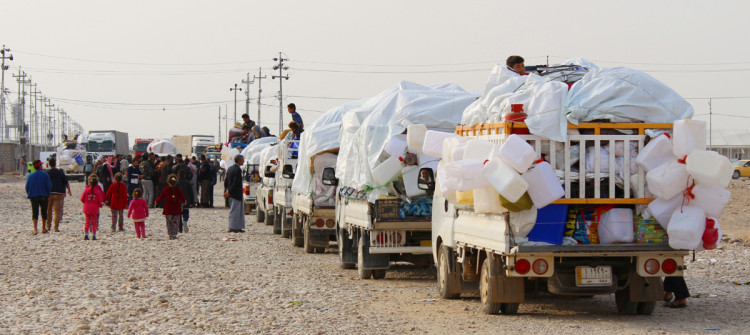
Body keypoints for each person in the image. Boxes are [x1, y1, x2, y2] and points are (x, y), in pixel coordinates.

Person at [155, 174, 186, 240]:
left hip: (168, 208)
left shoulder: (166, 189)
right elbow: (183, 198)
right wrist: (184, 202)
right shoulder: (178, 189)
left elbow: (161, 196)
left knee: (169, 222)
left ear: (168, 181)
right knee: (175, 222)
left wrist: (156, 201)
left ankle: (170, 234)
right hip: (176, 208)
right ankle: (174, 234)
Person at [25, 160, 52, 235]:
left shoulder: (30, 176)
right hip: (44, 196)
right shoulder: (45, 175)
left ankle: (35, 229)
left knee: (35, 212)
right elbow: (49, 186)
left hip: (34, 196)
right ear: (39, 166)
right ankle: (43, 228)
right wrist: (47, 193)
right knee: (44, 212)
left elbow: (27, 187)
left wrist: (29, 194)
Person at [46, 158, 72, 233]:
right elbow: (66, 183)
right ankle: (56, 227)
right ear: (55, 163)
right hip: (58, 194)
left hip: (49, 193)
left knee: (48, 211)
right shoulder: (60, 172)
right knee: (57, 211)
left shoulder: (47, 173)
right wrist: (69, 191)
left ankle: (48, 226)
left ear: (49, 164)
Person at [224, 154, 246, 233]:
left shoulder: (229, 169)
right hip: (235, 193)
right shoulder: (238, 170)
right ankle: (232, 227)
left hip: (231, 193)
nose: (243, 161)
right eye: (243, 160)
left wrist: (227, 191)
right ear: (239, 160)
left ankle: (237, 227)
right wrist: (230, 191)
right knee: (235, 211)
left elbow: (226, 181)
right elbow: (236, 182)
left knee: (237, 211)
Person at [80, 175, 105, 240]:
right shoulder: (98, 191)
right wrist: (100, 205)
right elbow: (100, 201)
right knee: (94, 222)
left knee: (87, 221)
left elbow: (82, 199)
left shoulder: (86, 190)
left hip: (87, 208)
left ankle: (86, 234)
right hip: (94, 209)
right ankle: (94, 235)